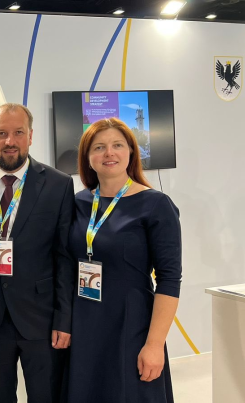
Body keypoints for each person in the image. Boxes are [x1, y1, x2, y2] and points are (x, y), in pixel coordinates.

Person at [0, 103, 75, 402]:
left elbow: (64, 257)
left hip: (42, 317)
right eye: (2, 133)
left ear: (30, 136)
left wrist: (64, 319)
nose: (10, 141)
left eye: (18, 132)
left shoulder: (58, 184)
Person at [66, 118, 181, 402]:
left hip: (131, 326)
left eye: (117, 145)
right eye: (99, 147)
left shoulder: (156, 205)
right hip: (84, 323)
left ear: (130, 151)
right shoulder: (77, 203)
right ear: (87, 157)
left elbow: (169, 279)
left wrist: (154, 345)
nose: (109, 153)